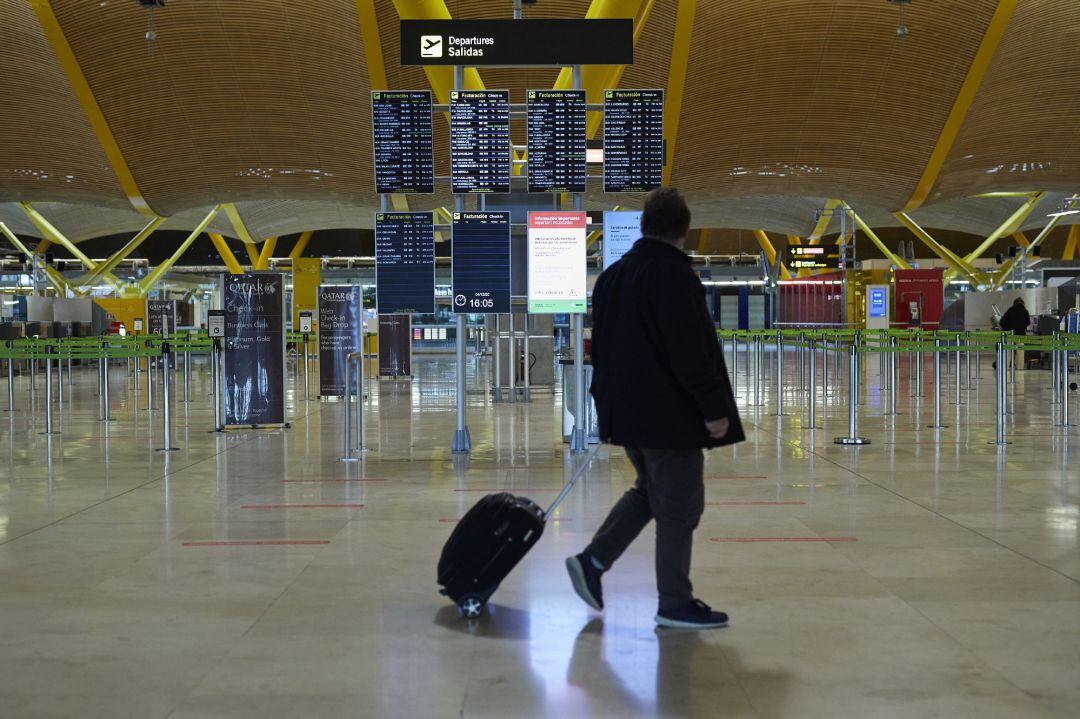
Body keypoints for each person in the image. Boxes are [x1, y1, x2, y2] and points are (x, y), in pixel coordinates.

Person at [565, 187, 745, 630]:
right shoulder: (673, 275)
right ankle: (674, 602)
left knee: (650, 490)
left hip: (626, 413)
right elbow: (689, 350)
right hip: (669, 416)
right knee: (680, 505)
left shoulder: (612, 277)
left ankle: (593, 561)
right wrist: (713, 408)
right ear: (685, 231)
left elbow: (601, 349)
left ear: (644, 226)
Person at [999, 298, 1031, 370]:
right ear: (1023, 303)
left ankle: (1006, 367)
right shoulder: (1025, 311)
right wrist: (1023, 327)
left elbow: (1002, 321)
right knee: (1020, 351)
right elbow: (1028, 322)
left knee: (1008, 350)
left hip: (1010, 333)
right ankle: (1020, 367)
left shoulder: (1010, 310)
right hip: (1020, 333)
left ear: (1014, 303)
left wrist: (1006, 329)